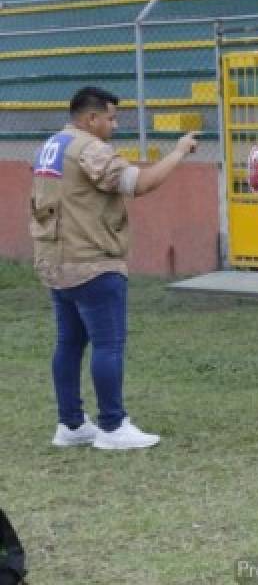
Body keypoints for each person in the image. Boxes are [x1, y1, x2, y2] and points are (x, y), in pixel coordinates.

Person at [31, 86, 198, 450]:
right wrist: (178, 153)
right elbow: (139, 183)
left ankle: (71, 423)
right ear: (90, 118)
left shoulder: (52, 144)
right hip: (91, 260)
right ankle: (112, 425)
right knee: (108, 343)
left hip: (55, 260)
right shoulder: (89, 147)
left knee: (69, 343)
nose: (115, 124)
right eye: (110, 117)